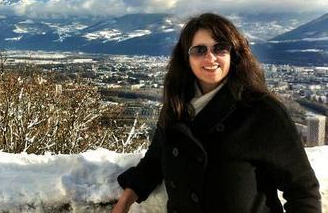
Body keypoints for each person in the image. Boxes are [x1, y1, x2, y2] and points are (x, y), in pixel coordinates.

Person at [112, 13, 321, 213]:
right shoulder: (176, 107)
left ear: (233, 54)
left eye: (220, 48)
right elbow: (156, 159)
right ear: (186, 58)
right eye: (199, 50)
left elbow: (303, 191)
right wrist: (126, 199)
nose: (210, 57)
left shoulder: (262, 111)